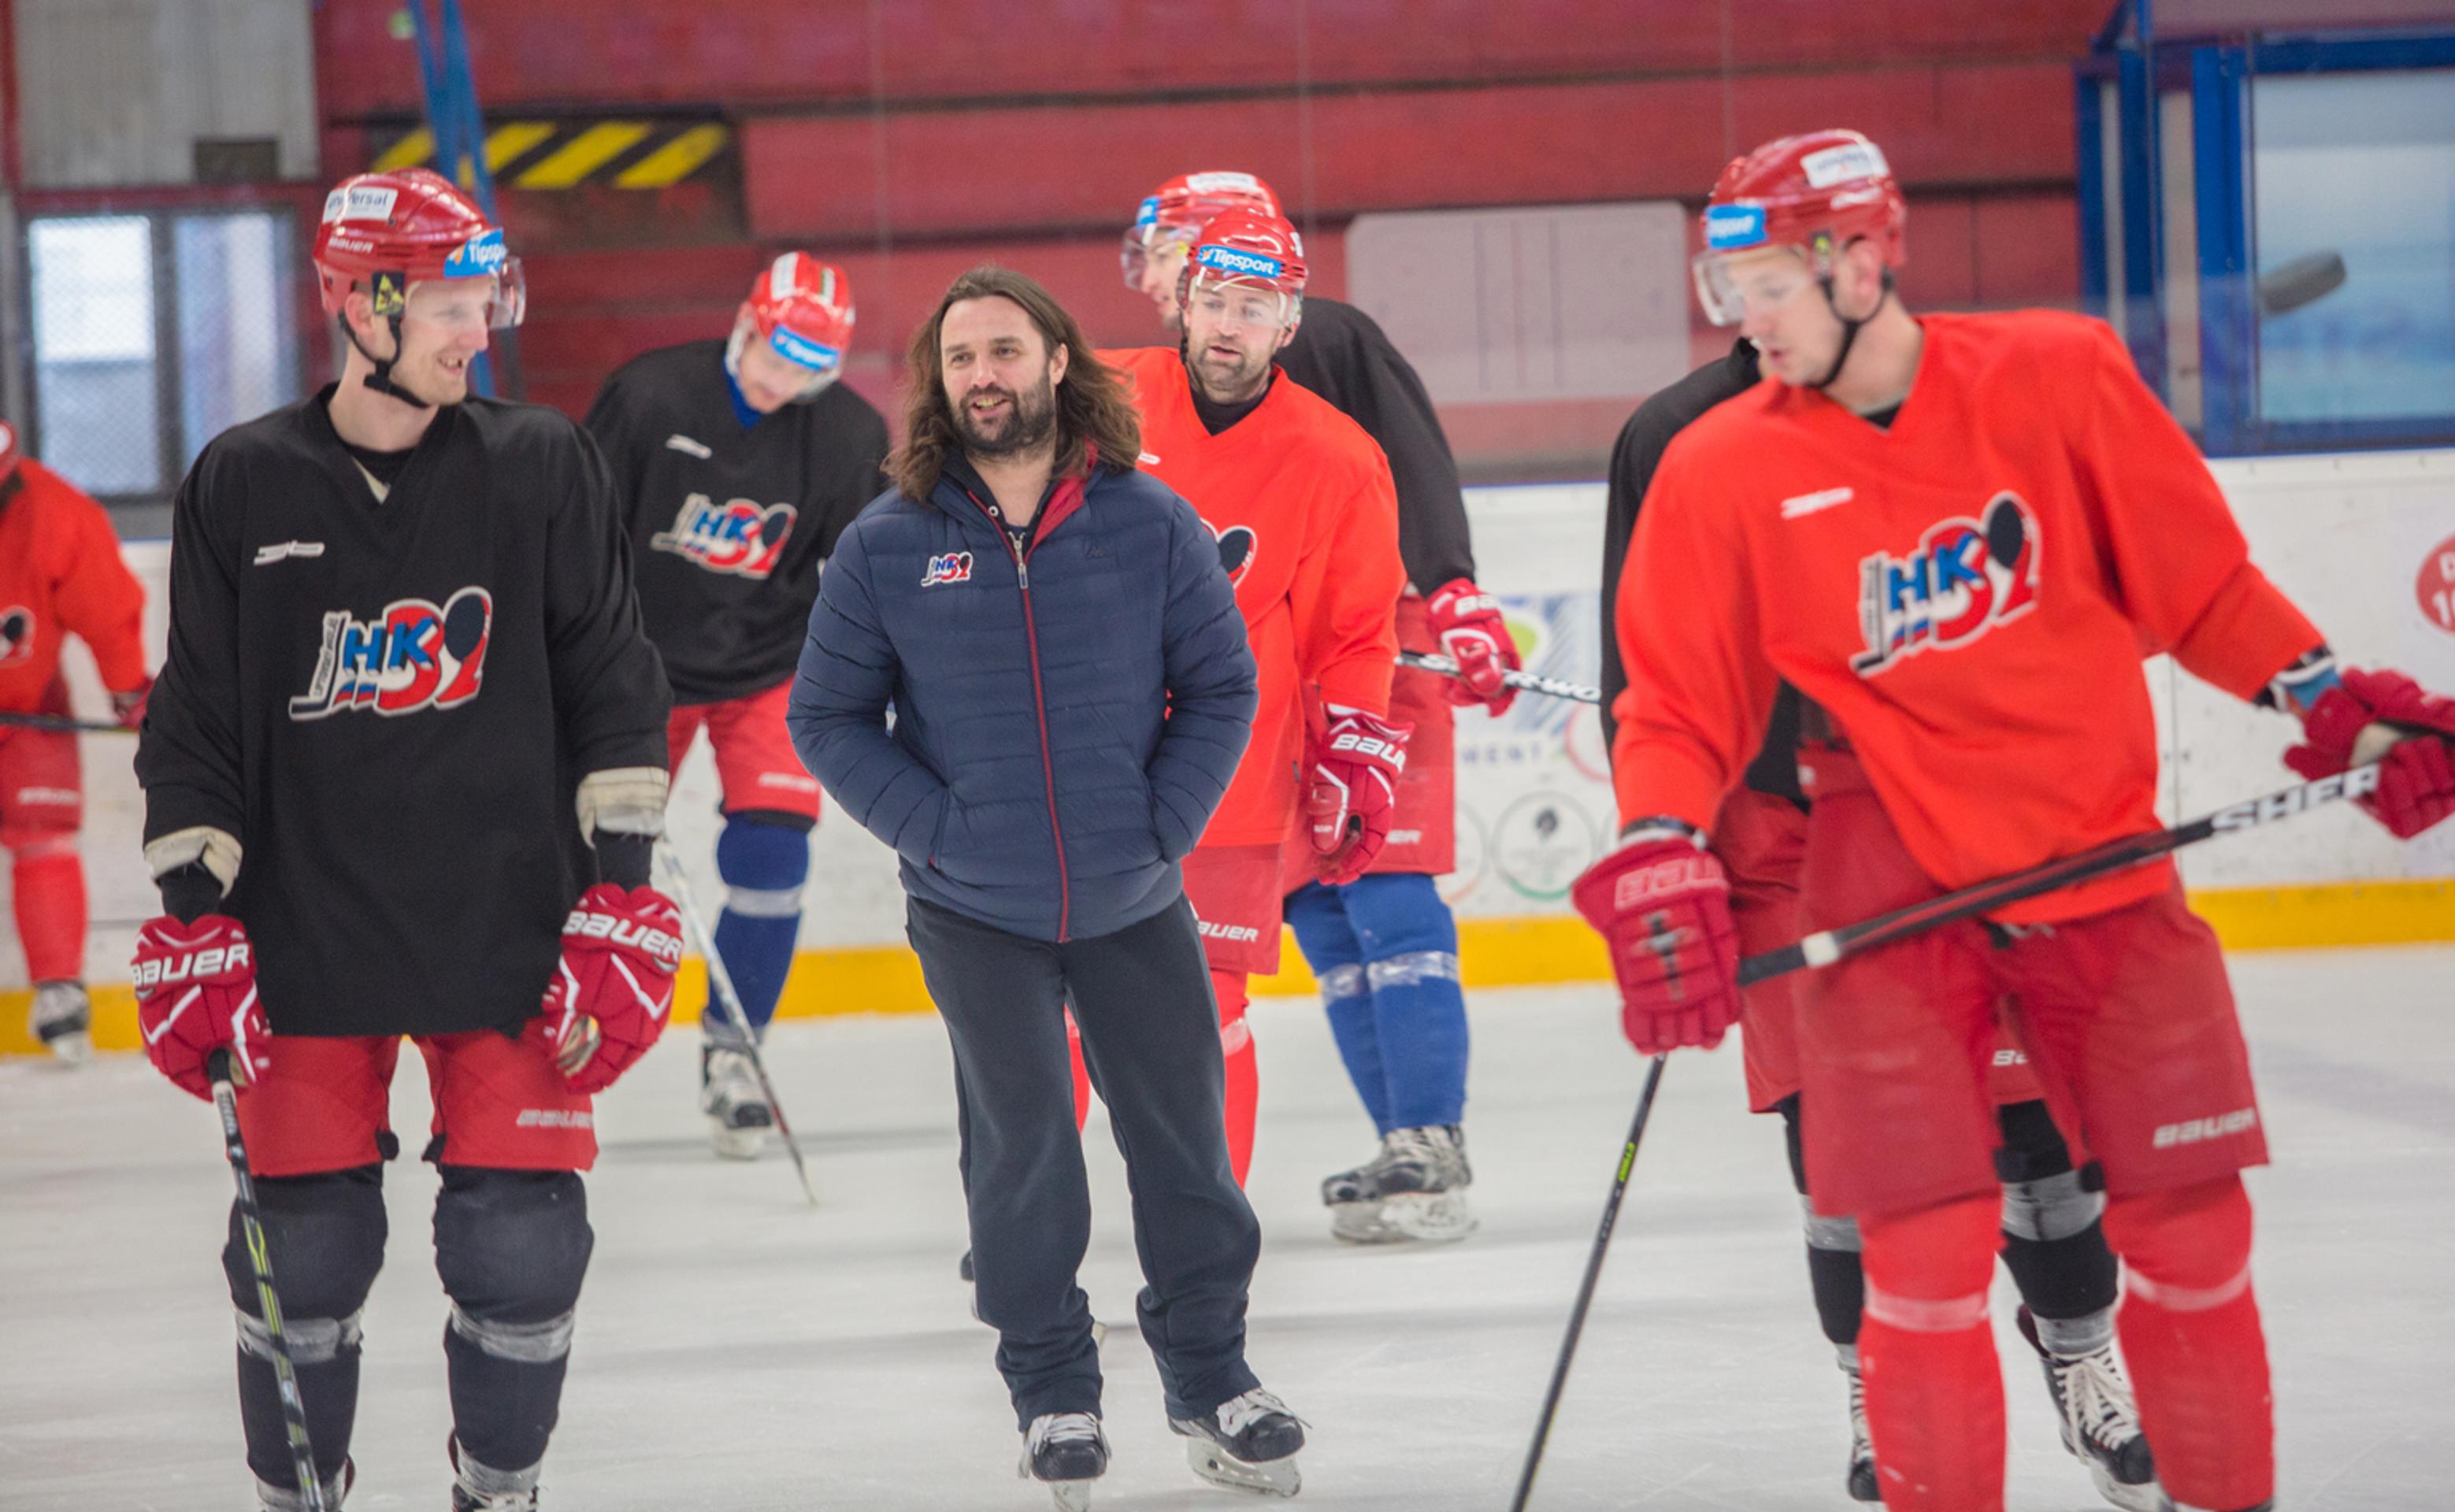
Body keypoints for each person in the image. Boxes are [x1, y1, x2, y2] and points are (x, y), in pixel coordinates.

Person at [1580, 128, 2455, 1512]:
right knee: (1919, 1253)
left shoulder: (2059, 376)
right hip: (1880, 884)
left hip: (2092, 858)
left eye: (1768, 285)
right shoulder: (1715, 464)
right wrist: (1657, 843)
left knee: (2190, 1227)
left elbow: (2199, 587)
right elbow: (1676, 707)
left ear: (1861, 262)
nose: (1743, 317)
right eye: (1727, 287)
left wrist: (2331, 702)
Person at [132, 168, 679, 1512]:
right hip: (303, 931)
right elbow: (196, 715)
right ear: (356, 304)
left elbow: (614, 683)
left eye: (481, 301)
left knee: (523, 1250)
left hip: (512, 927)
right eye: (444, 304)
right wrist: (196, 918)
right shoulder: (245, 480)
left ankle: (497, 1490)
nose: (472, 332)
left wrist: (621, 895)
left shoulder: (541, 462)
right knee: (304, 1257)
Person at [1603, 339, 2155, 1507]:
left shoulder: (1946, 405)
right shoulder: (1673, 434)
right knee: (1840, 1145)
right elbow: (1641, 664)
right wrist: (1662, 840)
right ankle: (1876, 1389)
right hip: (1779, 841)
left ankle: (2080, 1355)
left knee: (2031, 1124)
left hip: (1958, 823)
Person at [788, 265, 1303, 1506]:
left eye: (1006, 351)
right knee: (1021, 1156)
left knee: (1186, 1150)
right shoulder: (888, 543)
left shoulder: (1151, 521)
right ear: (938, 379)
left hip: (1135, 898)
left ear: (1058, 362)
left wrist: (1161, 826)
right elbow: (826, 718)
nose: (984, 375)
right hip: (975, 913)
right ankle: (1053, 1389)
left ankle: (1211, 1373)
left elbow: (1222, 685)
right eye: (961, 356)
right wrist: (937, 834)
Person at [1123, 169, 1504, 1243]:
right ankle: (1405, 1141)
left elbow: (1407, 467)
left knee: (1383, 881)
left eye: (1158, 246)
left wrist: (1454, 588)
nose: (1148, 274)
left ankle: (1430, 1141)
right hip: (1281, 681)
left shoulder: (1321, 332)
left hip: (1378, 645)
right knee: (1327, 904)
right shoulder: (1157, 378)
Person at [1105, 207, 1410, 1191]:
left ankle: (1209, 1231)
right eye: (1214, 301)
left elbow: (1353, 633)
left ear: (1290, 323)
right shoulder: (1097, 401)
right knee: (1052, 1007)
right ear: (1181, 303)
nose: (1228, 324)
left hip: (1227, 772)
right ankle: (1029, 1236)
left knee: (1207, 1007)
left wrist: (1354, 748)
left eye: (1254, 306)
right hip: (1081, 753)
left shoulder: (1338, 457)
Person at [585, 251, 888, 1158]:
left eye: (811, 367)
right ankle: (567, 1029)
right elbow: (575, 536)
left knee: (773, 854)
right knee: (596, 864)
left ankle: (734, 1052)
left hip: (769, 668)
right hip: (636, 665)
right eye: (776, 354)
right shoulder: (649, 397)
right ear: (747, 324)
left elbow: (864, 577)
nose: (784, 381)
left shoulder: (847, 433)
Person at [0, 417, 150, 1062]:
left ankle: (59, 989)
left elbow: (105, 607)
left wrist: (128, 688)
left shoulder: (56, 514)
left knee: (44, 836)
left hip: (29, 706)